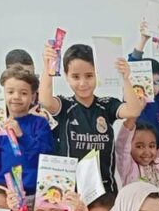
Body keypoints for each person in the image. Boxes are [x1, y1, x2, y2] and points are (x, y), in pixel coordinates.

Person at [40, 43, 145, 194]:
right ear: (66, 76)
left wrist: (126, 79)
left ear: (97, 74)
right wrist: (48, 68)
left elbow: (134, 110)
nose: (83, 83)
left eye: (89, 75)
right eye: (75, 77)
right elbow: (45, 101)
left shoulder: (107, 105)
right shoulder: (65, 106)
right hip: (72, 192)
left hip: (105, 191)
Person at [0, 65, 56, 195]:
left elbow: (46, 156)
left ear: (33, 97)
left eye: (24, 93)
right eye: (10, 92)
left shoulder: (39, 123)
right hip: (4, 193)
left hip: (33, 194)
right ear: (3, 94)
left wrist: (22, 136)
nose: (16, 97)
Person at [128, 21, 159, 146]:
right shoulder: (134, 99)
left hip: (158, 151)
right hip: (137, 152)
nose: (152, 87)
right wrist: (143, 40)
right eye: (148, 82)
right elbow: (132, 67)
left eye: (156, 82)